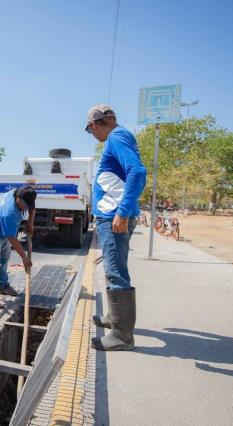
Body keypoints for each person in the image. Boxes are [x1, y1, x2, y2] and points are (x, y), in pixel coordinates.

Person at [85, 104, 147, 351]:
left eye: (91, 131)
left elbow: (137, 171)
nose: (93, 135)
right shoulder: (120, 137)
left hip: (114, 217)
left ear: (96, 124)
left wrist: (122, 212)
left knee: (116, 271)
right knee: (114, 267)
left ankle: (122, 336)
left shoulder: (116, 137)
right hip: (112, 215)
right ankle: (114, 318)